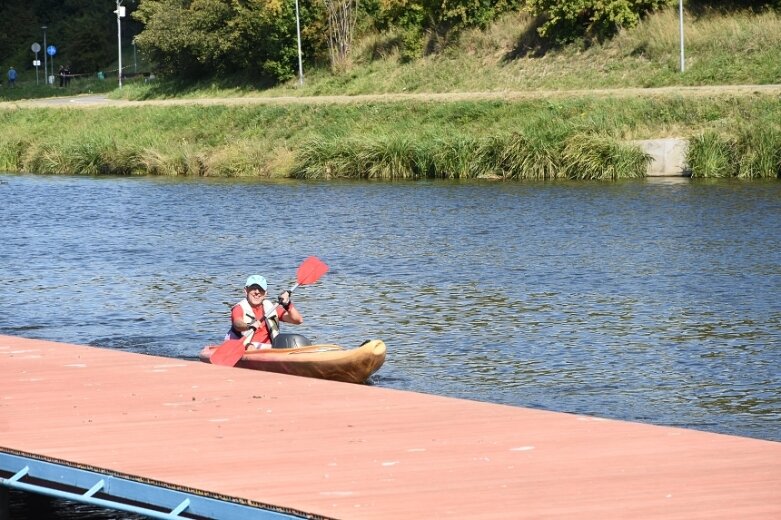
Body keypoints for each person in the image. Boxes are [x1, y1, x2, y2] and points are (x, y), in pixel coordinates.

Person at [225, 274, 303, 349]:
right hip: (246, 348)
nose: (257, 292)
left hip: (269, 350)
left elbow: (297, 320)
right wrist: (249, 326)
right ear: (246, 291)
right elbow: (237, 324)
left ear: (265, 293)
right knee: (251, 347)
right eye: (253, 288)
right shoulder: (239, 308)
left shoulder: (271, 308)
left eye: (260, 289)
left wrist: (287, 304)